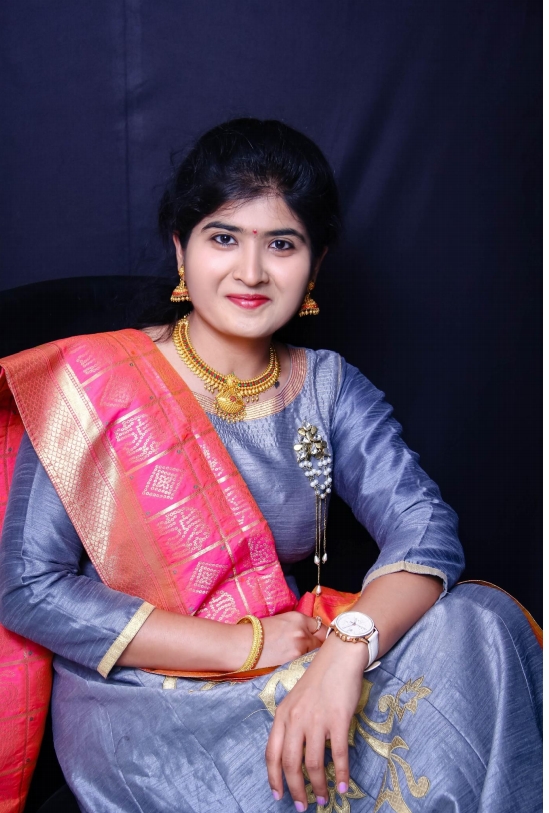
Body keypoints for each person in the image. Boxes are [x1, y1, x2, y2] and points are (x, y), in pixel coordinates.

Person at [0, 118, 542, 813]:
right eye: (224, 238)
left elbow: (426, 529)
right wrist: (240, 645)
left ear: (314, 264)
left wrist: (344, 652)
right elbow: (29, 586)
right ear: (182, 248)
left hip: (299, 663)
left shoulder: (327, 387)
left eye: (281, 244)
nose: (251, 272)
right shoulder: (94, 381)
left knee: (481, 622)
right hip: (150, 701)